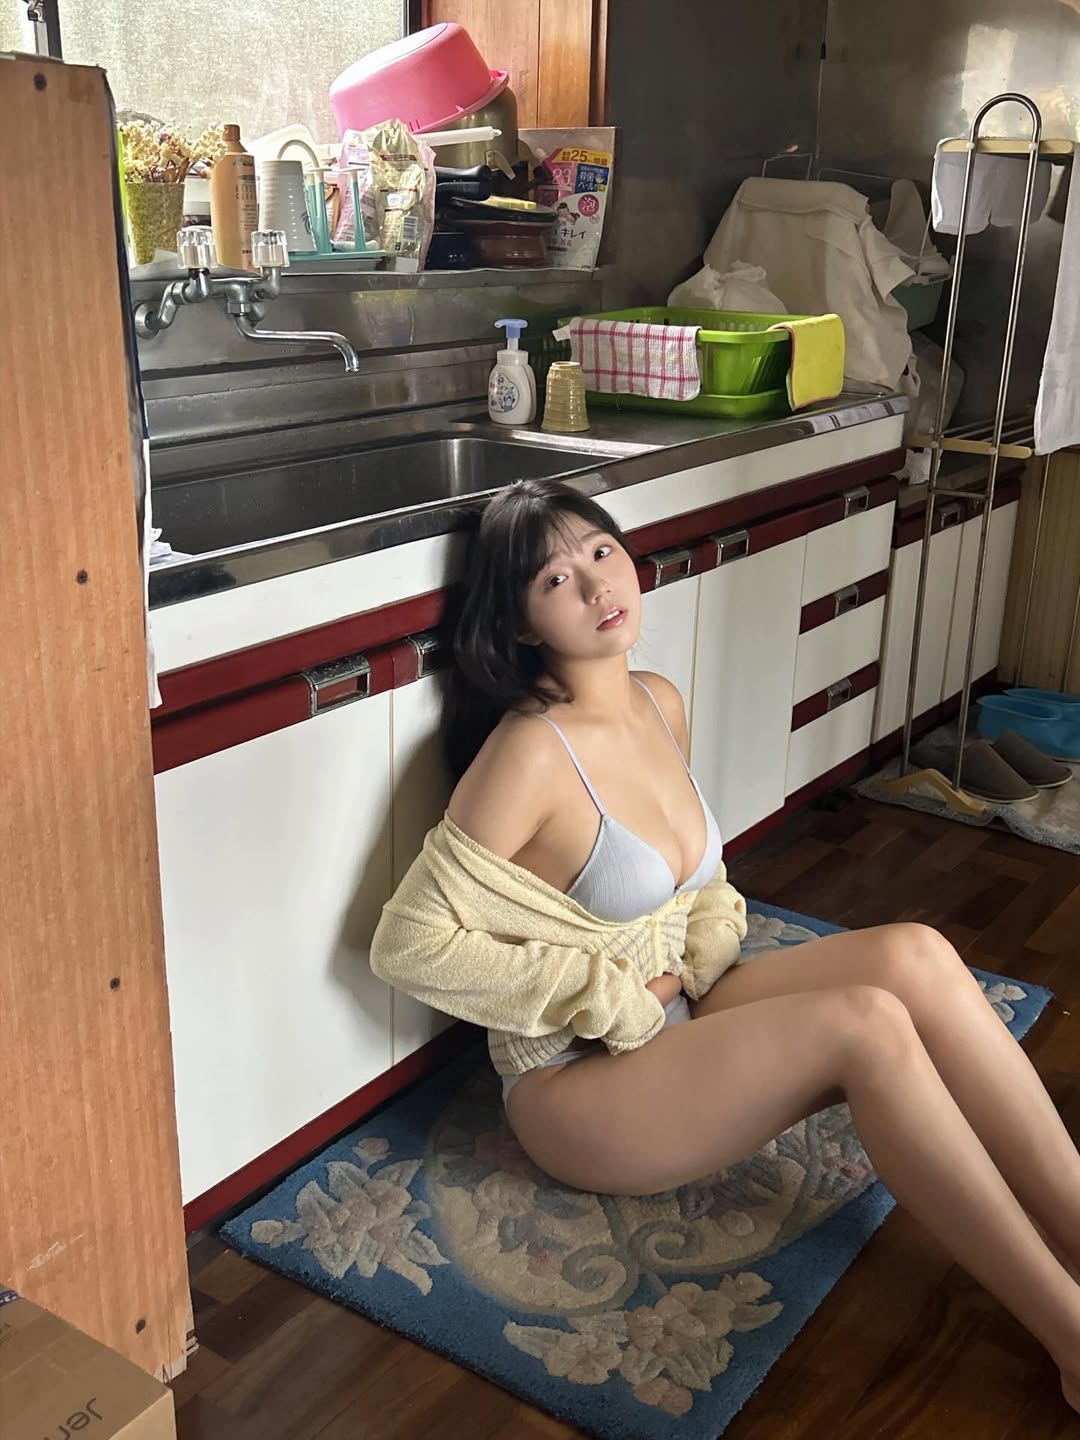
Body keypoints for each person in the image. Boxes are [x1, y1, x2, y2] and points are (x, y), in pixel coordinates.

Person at [371, 478, 1080, 1412]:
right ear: (517, 622)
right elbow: (408, 944)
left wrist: (697, 952)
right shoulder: (528, 753)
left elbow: (694, 879)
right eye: (554, 579)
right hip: (577, 1084)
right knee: (865, 1026)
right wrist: (606, 996)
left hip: (681, 1005)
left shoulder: (658, 700)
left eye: (600, 551)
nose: (596, 584)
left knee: (914, 953)